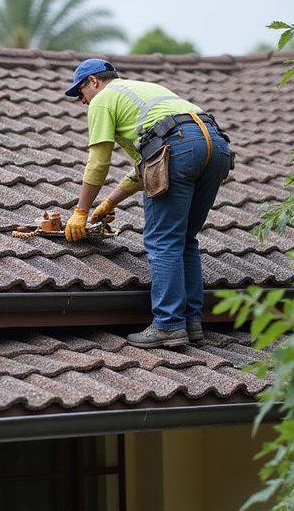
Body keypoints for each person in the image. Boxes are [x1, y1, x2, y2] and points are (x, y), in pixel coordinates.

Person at [63, 58, 232, 349]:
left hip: (179, 148)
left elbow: (99, 162)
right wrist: (109, 203)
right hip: (216, 146)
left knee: (163, 241)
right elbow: (146, 168)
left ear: (93, 82)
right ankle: (191, 321)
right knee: (185, 239)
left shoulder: (102, 99)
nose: (82, 101)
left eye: (80, 93)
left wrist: (81, 211)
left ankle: (168, 325)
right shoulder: (142, 90)